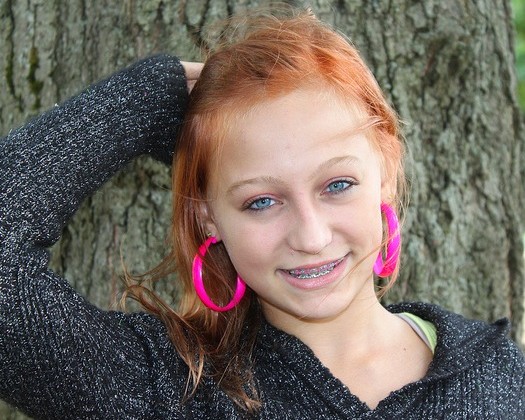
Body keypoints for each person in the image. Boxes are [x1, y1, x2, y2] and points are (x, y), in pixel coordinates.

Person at [0, 8, 523, 420]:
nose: (312, 237)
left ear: (384, 174)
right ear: (207, 216)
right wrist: (147, 97)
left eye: (337, 185)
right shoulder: (164, 389)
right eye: (262, 202)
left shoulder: (498, 377)